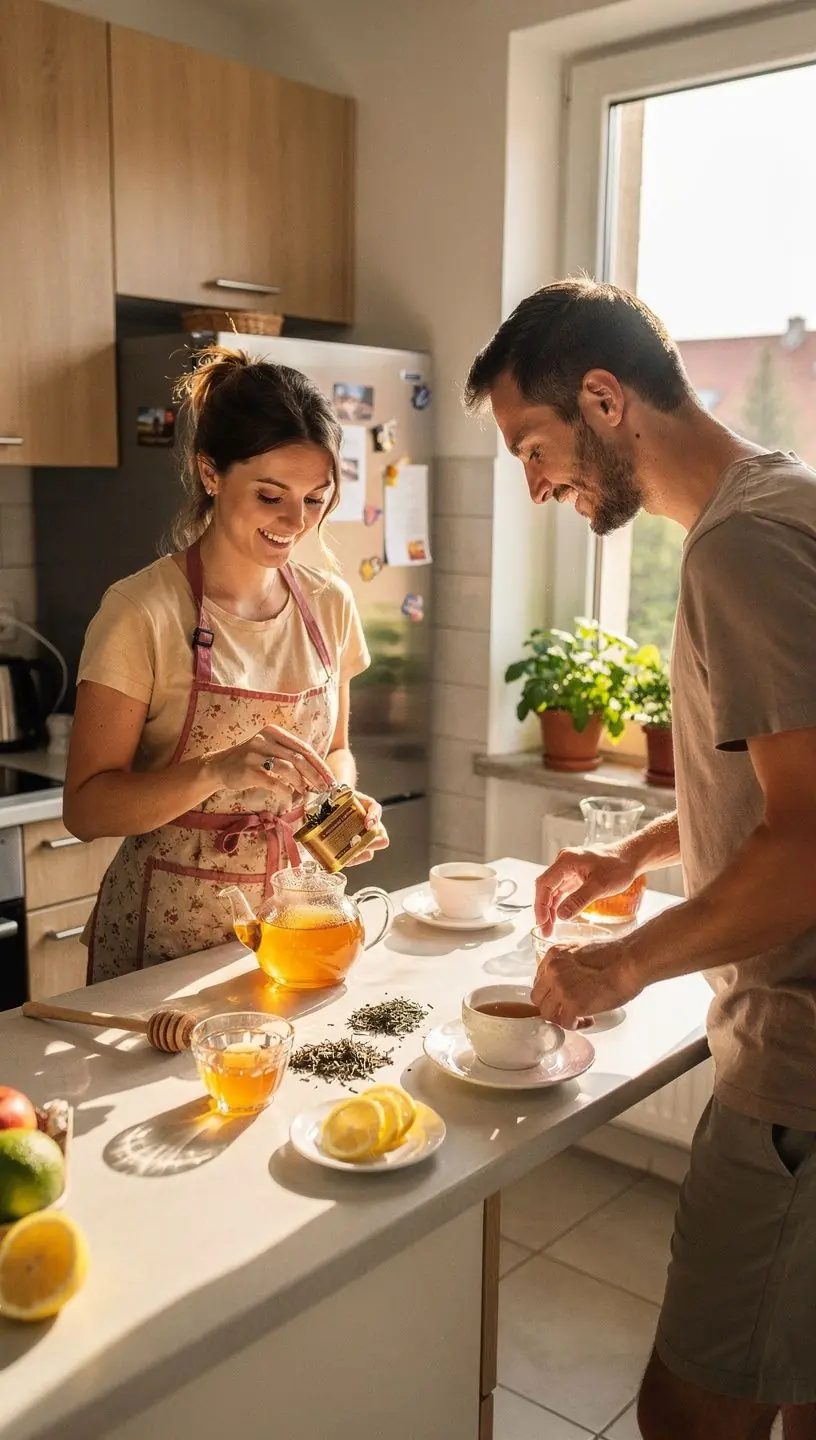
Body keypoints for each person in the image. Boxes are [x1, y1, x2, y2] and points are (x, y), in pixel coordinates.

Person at [464, 278, 816, 1440]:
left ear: (604, 399)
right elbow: (774, 795)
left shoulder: (742, 549)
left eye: (534, 445)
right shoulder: (778, 500)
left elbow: (808, 848)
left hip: (799, 1075)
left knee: (689, 1413)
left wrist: (623, 966)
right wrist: (644, 851)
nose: (535, 482)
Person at [65, 347, 387, 981]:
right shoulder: (141, 611)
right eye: (271, 496)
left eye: (316, 499)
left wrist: (344, 802)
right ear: (210, 474)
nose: (296, 522)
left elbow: (338, 748)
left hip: (294, 925)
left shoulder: (329, 604)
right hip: (164, 943)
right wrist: (216, 769)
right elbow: (87, 809)